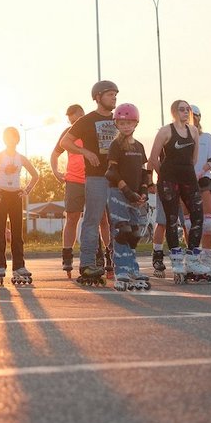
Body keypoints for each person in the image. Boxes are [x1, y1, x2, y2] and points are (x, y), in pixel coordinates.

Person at [149, 100, 211, 284]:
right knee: (171, 219)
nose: (186, 113)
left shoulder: (193, 131)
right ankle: (177, 259)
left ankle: (193, 258)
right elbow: (152, 158)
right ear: (173, 112)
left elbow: (194, 159)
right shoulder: (165, 131)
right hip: (169, 179)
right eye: (182, 110)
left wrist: (185, 173)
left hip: (188, 178)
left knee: (198, 216)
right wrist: (163, 176)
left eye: (188, 110)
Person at [59, 81, 119, 285]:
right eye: (110, 94)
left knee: (119, 222)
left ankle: (120, 262)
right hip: (95, 177)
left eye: (115, 95)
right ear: (98, 97)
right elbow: (64, 142)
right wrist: (85, 152)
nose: (114, 98)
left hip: (117, 178)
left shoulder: (119, 119)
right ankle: (87, 264)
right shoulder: (86, 120)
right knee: (92, 220)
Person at [105, 103, 153, 291]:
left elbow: (143, 173)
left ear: (136, 123)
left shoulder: (139, 146)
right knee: (122, 230)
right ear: (117, 124)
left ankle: (132, 268)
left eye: (129, 122)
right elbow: (111, 172)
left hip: (135, 195)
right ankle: (121, 270)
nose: (125, 126)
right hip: (119, 192)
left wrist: (143, 191)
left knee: (134, 233)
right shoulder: (115, 145)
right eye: (122, 123)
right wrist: (127, 191)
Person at [0, 127, 39, 286]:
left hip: (16, 196)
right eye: (7, 137)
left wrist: (27, 190)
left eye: (13, 137)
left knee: (17, 233)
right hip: (1, 195)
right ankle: (0, 266)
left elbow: (35, 175)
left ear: (17, 140)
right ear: (4, 140)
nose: (10, 140)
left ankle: (19, 266)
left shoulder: (21, 158)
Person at [51, 104, 86, 276]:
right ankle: (67, 255)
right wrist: (56, 171)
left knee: (101, 218)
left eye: (73, 116)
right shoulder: (67, 133)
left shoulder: (90, 128)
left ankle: (103, 255)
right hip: (74, 180)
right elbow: (55, 154)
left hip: (94, 179)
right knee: (72, 217)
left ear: (81, 114)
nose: (71, 120)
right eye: (69, 118)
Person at [192, 105, 211, 268]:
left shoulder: (207, 137)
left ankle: (207, 256)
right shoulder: (181, 137)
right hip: (186, 182)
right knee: (189, 222)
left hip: (204, 181)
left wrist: (202, 171)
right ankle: (192, 256)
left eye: (194, 116)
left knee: (208, 221)